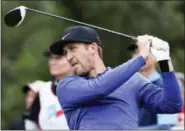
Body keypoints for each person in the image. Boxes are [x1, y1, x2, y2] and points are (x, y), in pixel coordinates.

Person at [49, 25, 183, 130]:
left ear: (93, 48)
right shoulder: (67, 86)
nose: (68, 56)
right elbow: (99, 88)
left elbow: (172, 105)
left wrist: (164, 61)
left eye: (73, 48)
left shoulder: (133, 80)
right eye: (65, 52)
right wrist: (141, 57)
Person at [128, 44, 179, 130]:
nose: (141, 56)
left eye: (146, 52)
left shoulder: (165, 87)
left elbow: (166, 127)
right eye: (136, 52)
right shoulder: (128, 86)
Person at [21, 49, 73, 130]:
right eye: (51, 58)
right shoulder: (43, 90)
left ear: (73, 60)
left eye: (58, 58)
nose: (52, 62)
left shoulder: (87, 86)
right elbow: (31, 121)